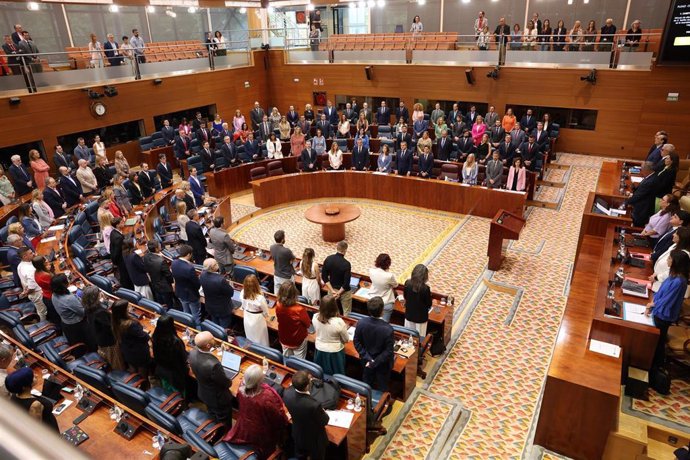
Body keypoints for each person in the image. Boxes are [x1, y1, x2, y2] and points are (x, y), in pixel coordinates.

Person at [222, 364, 289, 459]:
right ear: (259, 381)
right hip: (262, 432)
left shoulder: (241, 386)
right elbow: (278, 417)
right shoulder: (267, 397)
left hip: (244, 424)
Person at [646, 250, 689, 370]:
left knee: (658, 342)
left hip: (663, 315)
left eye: (669, 259)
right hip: (658, 310)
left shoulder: (679, 281)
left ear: (676, 262)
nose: (667, 260)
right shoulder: (673, 275)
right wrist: (653, 303)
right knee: (657, 340)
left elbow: (667, 300)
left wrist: (652, 306)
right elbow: (661, 292)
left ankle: (656, 366)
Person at [189, 331, 234, 425]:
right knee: (224, 421)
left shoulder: (192, 353)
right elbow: (226, 383)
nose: (214, 339)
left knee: (212, 414)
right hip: (218, 399)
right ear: (208, 345)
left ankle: (214, 426)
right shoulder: (213, 365)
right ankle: (223, 436)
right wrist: (230, 381)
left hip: (204, 393)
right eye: (212, 338)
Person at [283, 370, 329, 460]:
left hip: (298, 434)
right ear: (307, 386)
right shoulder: (314, 405)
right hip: (315, 440)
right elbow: (325, 420)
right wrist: (322, 411)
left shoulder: (287, 393)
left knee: (300, 457)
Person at [354, 296, 395, 391]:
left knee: (366, 383)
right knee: (382, 385)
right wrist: (375, 362)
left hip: (366, 360)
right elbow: (388, 351)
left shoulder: (361, 323)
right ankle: (383, 403)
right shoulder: (388, 329)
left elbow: (357, 342)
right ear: (382, 311)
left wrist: (369, 359)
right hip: (382, 363)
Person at [83, 285, 124, 370]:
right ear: (96, 296)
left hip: (99, 338)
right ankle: (118, 374)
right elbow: (110, 325)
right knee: (116, 361)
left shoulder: (87, 307)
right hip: (109, 341)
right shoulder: (100, 312)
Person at [51, 273, 93, 348]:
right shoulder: (69, 299)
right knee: (87, 344)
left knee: (75, 344)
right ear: (64, 285)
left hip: (66, 323)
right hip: (77, 325)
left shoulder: (53, 295)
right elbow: (83, 312)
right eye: (66, 281)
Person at [152, 314, 190, 395]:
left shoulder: (155, 336)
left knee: (167, 390)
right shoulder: (175, 342)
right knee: (178, 394)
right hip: (175, 374)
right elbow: (183, 358)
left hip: (162, 369)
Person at [313, 295, 349, 375]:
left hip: (319, 349)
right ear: (334, 306)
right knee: (337, 376)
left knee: (321, 373)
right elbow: (346, 339)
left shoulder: (315, 317)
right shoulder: (339, 322)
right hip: (335, 353)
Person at [650, 227, 690, 294]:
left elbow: (675, 271)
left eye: (676, 233)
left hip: (664, 283)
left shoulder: (684, 254)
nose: (673, 234)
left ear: (681, 238)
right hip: (657, 278)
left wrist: (657, 277)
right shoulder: (674, 245)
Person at [276, 282, 310, 359]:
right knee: (299, 363)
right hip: (298, 340)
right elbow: (308, 324)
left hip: (283, 338)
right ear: (294, 294)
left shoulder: (278, 304)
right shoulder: (299, 309)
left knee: (286, 359)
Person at [200, 258, 235, 328]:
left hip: (210, 307)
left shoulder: (202, 275)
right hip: (223, 309)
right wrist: (231, 286)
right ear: (213, 267)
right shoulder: (220, 280)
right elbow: (231, 293)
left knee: (215, 327)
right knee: (223, 329)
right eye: (216, 263)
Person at [171, 245, 202, 326]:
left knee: (186, 314)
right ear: (188, 254)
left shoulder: (174, 263)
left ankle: (188, 328)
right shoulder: (189, 268)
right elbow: (196, 284)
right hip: (191, 295)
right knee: (196, 316)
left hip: (180, 293)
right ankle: (197, 332)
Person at [322, 241, 353, 316]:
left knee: (331, 310)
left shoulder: (328, 259)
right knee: (347, 312)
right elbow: (346, 284)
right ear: (345, 250)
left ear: (337, 248)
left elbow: (324, 277)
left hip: (332, 289)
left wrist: (333, 291)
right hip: (344, 292)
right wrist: (338, 294)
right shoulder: (346, 264)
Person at [17, 247, 47, 322]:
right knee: (42, 312)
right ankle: (43, 326)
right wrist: (26, 292)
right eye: (30, 253)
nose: (33, 254)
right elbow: (32, 287)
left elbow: (23, 281)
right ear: (24, 256)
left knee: (41, 310)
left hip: (32, 293)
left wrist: (25, 291)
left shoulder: (20, 265)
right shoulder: (29, 269)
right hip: (37, 293)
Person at [626, 162, 660, 227]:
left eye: (642, 169)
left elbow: (639, 196)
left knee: (638, 224)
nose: (641, 171)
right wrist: (635, 189)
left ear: (647, 170)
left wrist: (627, 202)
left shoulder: (650, 181)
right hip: (644, 203)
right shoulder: (652, 176)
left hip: (643, 208)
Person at [143, 240, 175, 309]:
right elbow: (168, 275)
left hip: (155, 285)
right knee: (170, 305)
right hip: (165, 287)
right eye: (159, 245)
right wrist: (172, 283)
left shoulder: (145, 257)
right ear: (156, 249)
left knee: (161, 305)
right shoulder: (161, 261)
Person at [404, 264, 432, 336]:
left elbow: (405, 296)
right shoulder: (425, 288)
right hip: (421, 318)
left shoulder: (407, 283)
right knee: (420, 338)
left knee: (408, 336)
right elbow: (429, 304)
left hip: (409, 315)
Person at [369, 253, 398, 322]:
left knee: (373, 322)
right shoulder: (389, 276)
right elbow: (395, 285)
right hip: (386, 302)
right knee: (383, 325)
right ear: (388, 264)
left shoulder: (371, 271)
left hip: (373, 301)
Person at [33, 255, 59, 325]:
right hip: (52, 297)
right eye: (45, 261)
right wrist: (51, 271)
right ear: (42, 264)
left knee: (54, 316)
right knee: (57, 318)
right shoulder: (45, 275)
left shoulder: (36, 272)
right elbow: (55, 284)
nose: (47, 261)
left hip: (46, 296)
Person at [271, 230, 296, 295]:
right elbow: (293, 258)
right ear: (282, 240)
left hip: (277, 275)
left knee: (277, 295)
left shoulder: (272, 247)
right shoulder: (286, 251)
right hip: (286, 277)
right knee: (289, 295)